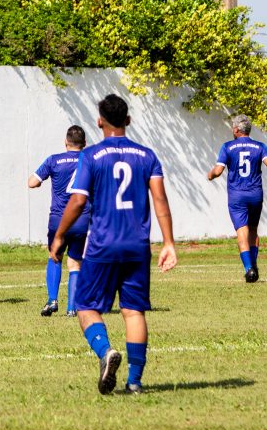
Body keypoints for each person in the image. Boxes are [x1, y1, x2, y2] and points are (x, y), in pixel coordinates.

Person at [51, 95, 177, 395]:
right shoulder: (147, 156)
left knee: (86, 306)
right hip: (137, 245)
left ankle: (106, 351)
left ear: (99, 121)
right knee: (133, 312)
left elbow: (78, 200)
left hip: (103, 245)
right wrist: (169, 242)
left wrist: (59, 235)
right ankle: (135, 381)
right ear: (128, 120)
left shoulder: (91, 156)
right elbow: (159, 200)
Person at [206, 114, 267, 282]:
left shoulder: (227, 147)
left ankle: (249, 269)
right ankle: (254, 265)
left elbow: (217, 171)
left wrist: (210, 175)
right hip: (255, 195)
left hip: (237, 196)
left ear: (236, 130)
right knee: (253, 229)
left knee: (242, 232)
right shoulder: (260, 146)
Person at [29, 125, 91, 317]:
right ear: (85, 144)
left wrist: (42, 181)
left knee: (54, 256)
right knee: (75, 263)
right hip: (81, 218)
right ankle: (72, 308)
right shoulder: (90, 161)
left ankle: (52, 300)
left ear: (66, 142)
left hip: (58, 218)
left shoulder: (54, 160)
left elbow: (32, 182)